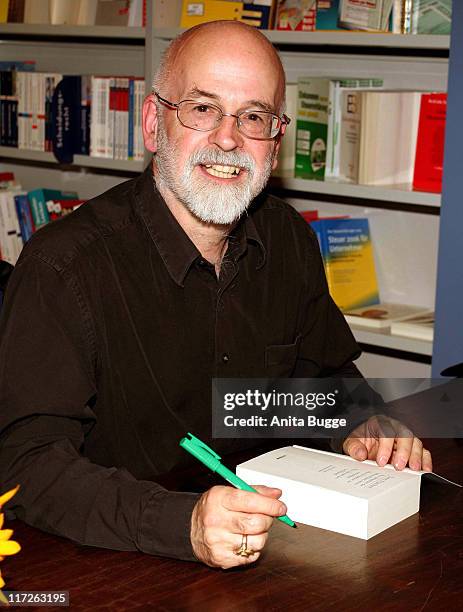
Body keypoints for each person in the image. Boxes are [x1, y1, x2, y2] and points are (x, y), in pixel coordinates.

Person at [0, 21, 432, 570]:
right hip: (113, 564)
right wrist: (184, 524)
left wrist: (363, 420)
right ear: (155, 123)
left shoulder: (289, 240)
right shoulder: (62, 267)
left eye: (253, 116)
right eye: (203, 109)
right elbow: (26, 464)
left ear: (275, 143)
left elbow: (323, 379)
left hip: (277, 544)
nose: (228, 138)